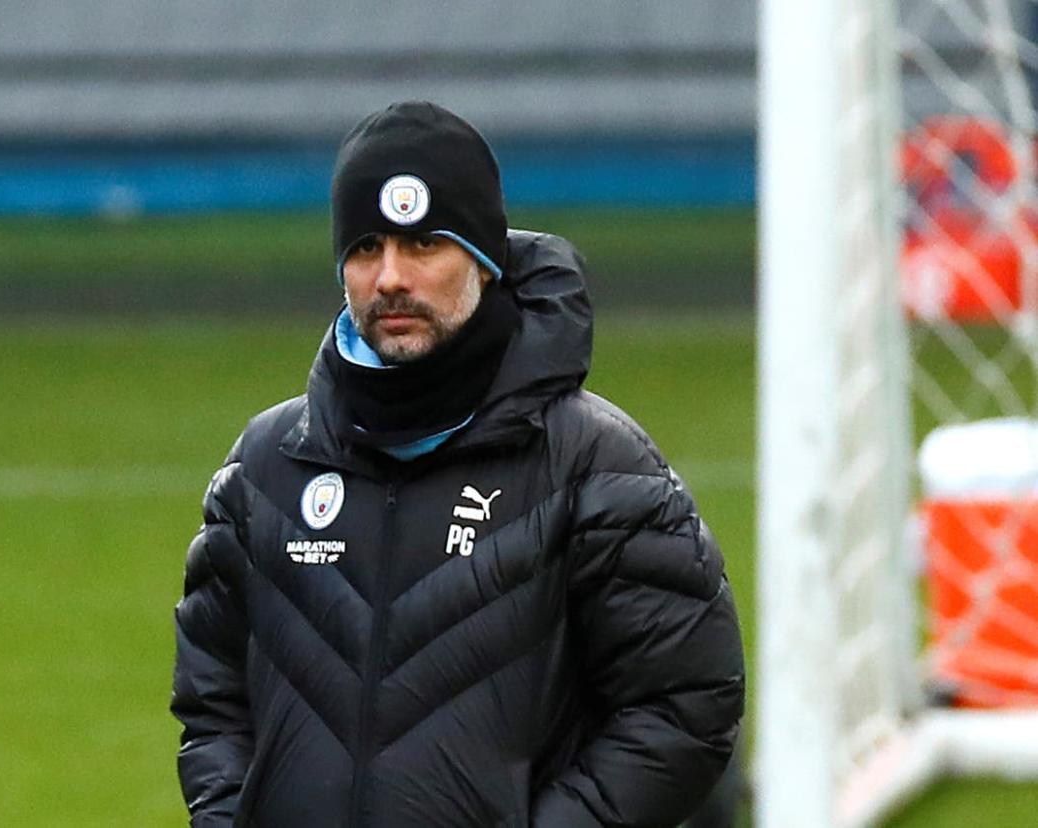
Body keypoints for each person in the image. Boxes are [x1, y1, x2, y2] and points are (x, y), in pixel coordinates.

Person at [171, 100, 745, 828]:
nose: (390, 277)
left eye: (423, 245)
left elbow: (688, 704)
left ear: (483, 259)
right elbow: (211, 699)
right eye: (367, 246)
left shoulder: (596, 464)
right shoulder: (266, 468)